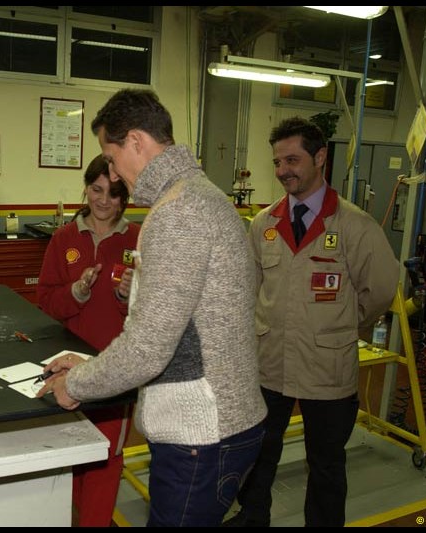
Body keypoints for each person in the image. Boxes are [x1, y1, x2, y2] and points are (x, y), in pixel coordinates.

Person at [37, 89, 267, 527]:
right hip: (222, 423)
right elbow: (182, 335)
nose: (113, 172)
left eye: (111, 154)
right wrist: (90, 362)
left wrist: (77, 384)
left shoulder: (176, 213)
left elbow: (148, 349)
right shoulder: (200, 198)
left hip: (201, 435)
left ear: (137, 142)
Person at [224, 116, 399, 527]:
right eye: (277, 162)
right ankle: (253, 517)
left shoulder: (356, 226)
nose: (283, 170)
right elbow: (250, 290)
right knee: (259, 452)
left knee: (325, 463)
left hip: (328, 367)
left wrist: (337, 325)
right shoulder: (264, 225)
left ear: (320, 157)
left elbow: (380, 292)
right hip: (270, 365)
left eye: (292, 159)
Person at [37, 154, 140, 526]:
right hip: (66, 368)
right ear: (86, 188)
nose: (103, 200)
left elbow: (153, 318)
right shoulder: (64, 237)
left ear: (124, 198)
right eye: (97, 189)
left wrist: (130, 296)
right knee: (67, 455)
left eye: (113, 194)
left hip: (114, 372)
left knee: (106, 458)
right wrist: (76, 292)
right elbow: (46, 302)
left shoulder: (136, 239)